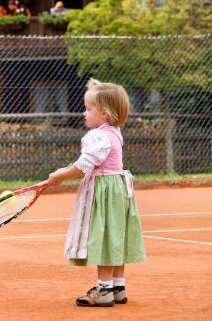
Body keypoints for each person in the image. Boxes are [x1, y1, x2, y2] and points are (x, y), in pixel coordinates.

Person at [46, 79, 146, 307]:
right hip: (119, 191)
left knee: (105, 240)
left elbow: (83, 166)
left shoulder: (97, 136)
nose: (84, 113)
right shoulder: (115, 131)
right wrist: (101, 90)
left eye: (89, 109)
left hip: (104, 193)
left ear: (104, 113)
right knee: (116, 236)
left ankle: (103, 290)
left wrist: (60, 175)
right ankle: (117, 287)